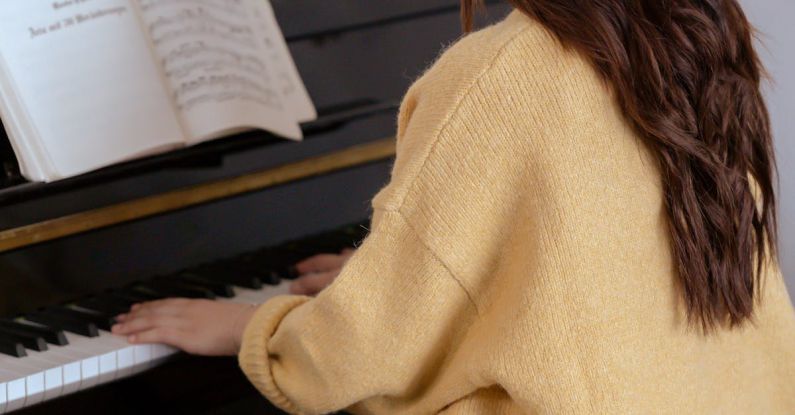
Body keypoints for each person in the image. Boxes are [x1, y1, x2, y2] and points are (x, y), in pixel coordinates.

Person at [112, 1, 795, 413]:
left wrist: (251, 326)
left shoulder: (498, 74)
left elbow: (344, 359)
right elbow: (601, 261)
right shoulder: (697, 40)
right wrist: (408, 276)